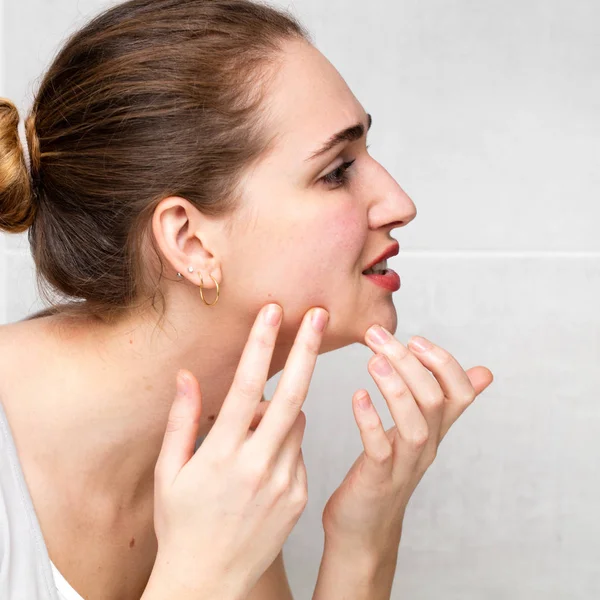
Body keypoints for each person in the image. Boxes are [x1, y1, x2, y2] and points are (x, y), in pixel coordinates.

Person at [0, 0, 494, 599]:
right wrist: (197, 576)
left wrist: (365, 537)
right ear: (190, 240)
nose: (399, 202)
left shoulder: (224, 460)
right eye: (336, 171)